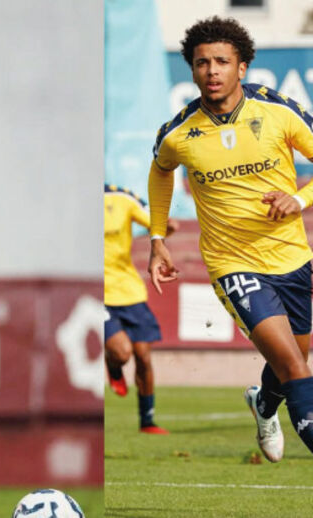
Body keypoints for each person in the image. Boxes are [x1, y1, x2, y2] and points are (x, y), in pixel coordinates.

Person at [148, 16, 313, 463]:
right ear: (192, 70)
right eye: (202, 63)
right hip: (233, 264)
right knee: (298, 369)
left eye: (222, 61)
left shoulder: (278, 111)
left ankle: (263, 405)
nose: (212, 70)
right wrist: (158, 237)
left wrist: (300, 199)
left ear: (242, 68)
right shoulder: (179, 133)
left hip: (293, 258)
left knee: (292, 361)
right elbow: (161, 171)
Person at [104, 184, 177, 435]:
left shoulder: (120, 197)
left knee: (143, 356)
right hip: (99, 293)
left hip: (129, 291)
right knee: (122, 352)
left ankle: (147, 421)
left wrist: (166, 227)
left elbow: (155, 222)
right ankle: (113, 366)